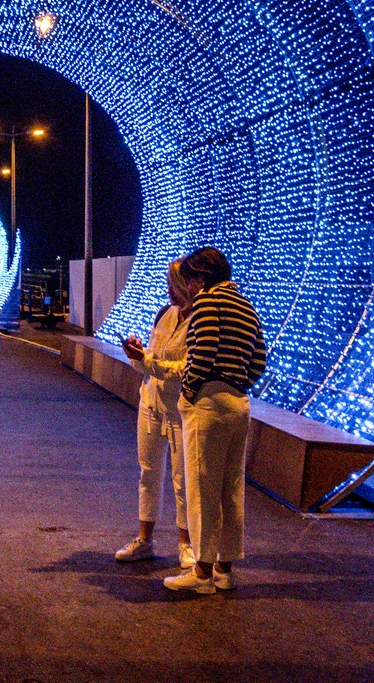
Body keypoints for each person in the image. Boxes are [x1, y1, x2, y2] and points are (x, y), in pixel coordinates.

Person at [164, 246, 265, 595]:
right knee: (231, 490)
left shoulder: (208, 302)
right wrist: (237, 383)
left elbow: (203, 351)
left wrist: (190, 391)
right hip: (239, 403)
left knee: (202, 488)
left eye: (191, 279)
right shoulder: (246, 306)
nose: (189, 287)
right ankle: (225, 568)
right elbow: (259, 360)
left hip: (208, 402)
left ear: (203, 277)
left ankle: (202, 572)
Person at [118, 260, 195, 570]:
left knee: (183, 480)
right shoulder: (165, 314)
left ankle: (186, 544)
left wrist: (148, 362)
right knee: (148, 473)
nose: (169, 292)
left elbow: (185, 369)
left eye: (174, 286)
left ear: (188, 285)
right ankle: (144, 540)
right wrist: (137, 355)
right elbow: (150, 361)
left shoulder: (201, 321)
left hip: (180, 410)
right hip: (150, 403)